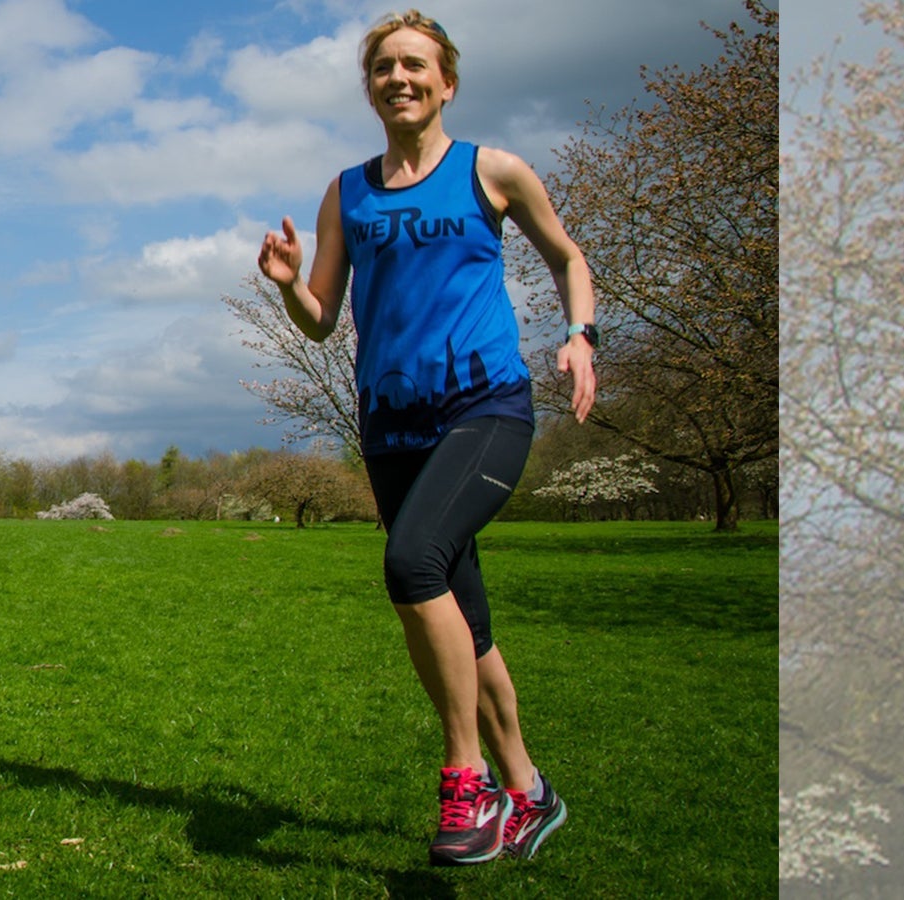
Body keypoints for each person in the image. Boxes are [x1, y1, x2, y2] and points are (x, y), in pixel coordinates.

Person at [254, 9, 596, 867]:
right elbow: (324, 322)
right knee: (464, 620)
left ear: (446, 82)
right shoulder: (349, 191)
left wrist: (582, 335)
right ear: (370, 88)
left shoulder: (494, 171)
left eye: (416, 65)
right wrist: (291, 285)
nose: (399, 78)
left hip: (485, 409)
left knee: (410, 565)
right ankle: (529, 789)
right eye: (383, 68)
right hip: (391, 427)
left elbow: (567, 257)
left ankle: (467, 777)